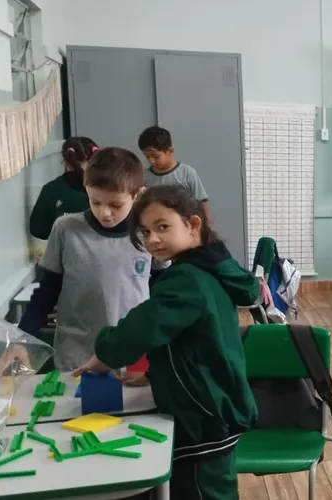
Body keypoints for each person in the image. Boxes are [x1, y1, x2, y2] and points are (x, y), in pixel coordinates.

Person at [74, 185, 259, 499]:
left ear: (193, 224)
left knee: (203, 491)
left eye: (163, 227)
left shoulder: (186, 278)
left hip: (203, 415)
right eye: (146, 231)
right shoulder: (208, 267)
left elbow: (144, 325)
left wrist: (104, 352)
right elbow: (192, 344)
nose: (153, 239)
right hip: (214, 405)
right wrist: (153, 373)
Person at [11, 148, 150, 373]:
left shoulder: (148, 234)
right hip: (77, 354)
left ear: (137, 195)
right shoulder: (66, 229)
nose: (104, 213)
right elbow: (46, 293)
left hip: (133, 353)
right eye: (95, 202)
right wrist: (23, 340)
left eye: (115, 205)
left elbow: (163, 293)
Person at [29, 137, 99, 240]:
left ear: (65, 162)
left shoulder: (51, 190)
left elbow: (39, 231)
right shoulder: (110, 186)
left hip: (66, 252)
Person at [138, 125, 209, 215]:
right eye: (147, 156)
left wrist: (206, 226)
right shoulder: (144, 177)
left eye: (156, 156)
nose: (151, 161)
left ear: (170, 151)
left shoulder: (187, 173)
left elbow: (202, 204)